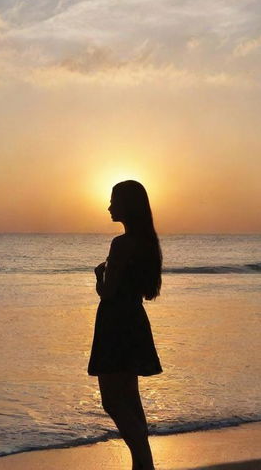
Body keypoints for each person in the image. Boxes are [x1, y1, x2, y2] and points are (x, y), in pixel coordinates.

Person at [88, 180, 163, 470]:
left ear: (127, 205)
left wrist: (98, 277)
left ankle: (144, 463)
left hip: (115, 323)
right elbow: (143, 290)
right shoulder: (146, 243)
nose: (109, 206)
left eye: (113, 201)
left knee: (112, 400)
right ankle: (142, 465)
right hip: (134, 319)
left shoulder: (122, 244)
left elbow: (108, 293)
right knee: (130, 399)